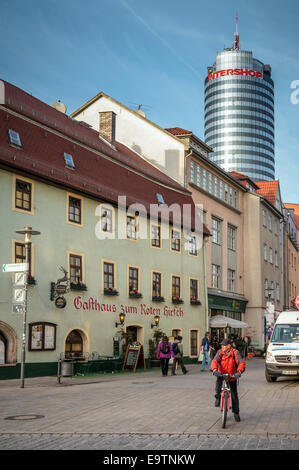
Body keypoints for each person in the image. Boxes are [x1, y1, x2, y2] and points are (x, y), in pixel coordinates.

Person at [211, 338, 246, 422]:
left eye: (224, 345)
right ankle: (218, 397)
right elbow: (214, 361)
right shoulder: (220, 352)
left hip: (232, 375)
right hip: (221, 373)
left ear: (229, 346)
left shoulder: (235, 352)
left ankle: (236, 412)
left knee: (234, 394)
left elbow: (241, 362)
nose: (222, 346)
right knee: (218, 384)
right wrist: (214, 370)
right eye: (222, 345)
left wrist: (239, 372)